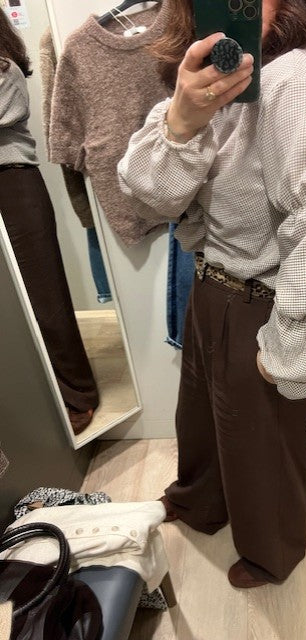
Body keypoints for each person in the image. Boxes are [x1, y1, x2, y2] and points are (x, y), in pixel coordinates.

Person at [118, 0, 306, 588]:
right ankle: (200, 501)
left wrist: (295, 351)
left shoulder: (298, 78)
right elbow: (150, 197)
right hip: (210, 285)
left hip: (265, 301)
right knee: (202, 420)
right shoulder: (215, 81)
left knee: (262, 444)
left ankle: (271, 551)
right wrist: (182, 119)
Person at [0, 11, 99, 434]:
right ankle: (31, 395)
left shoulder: (5, 69)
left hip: (13, 184)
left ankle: (79, 394)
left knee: (46, 296)